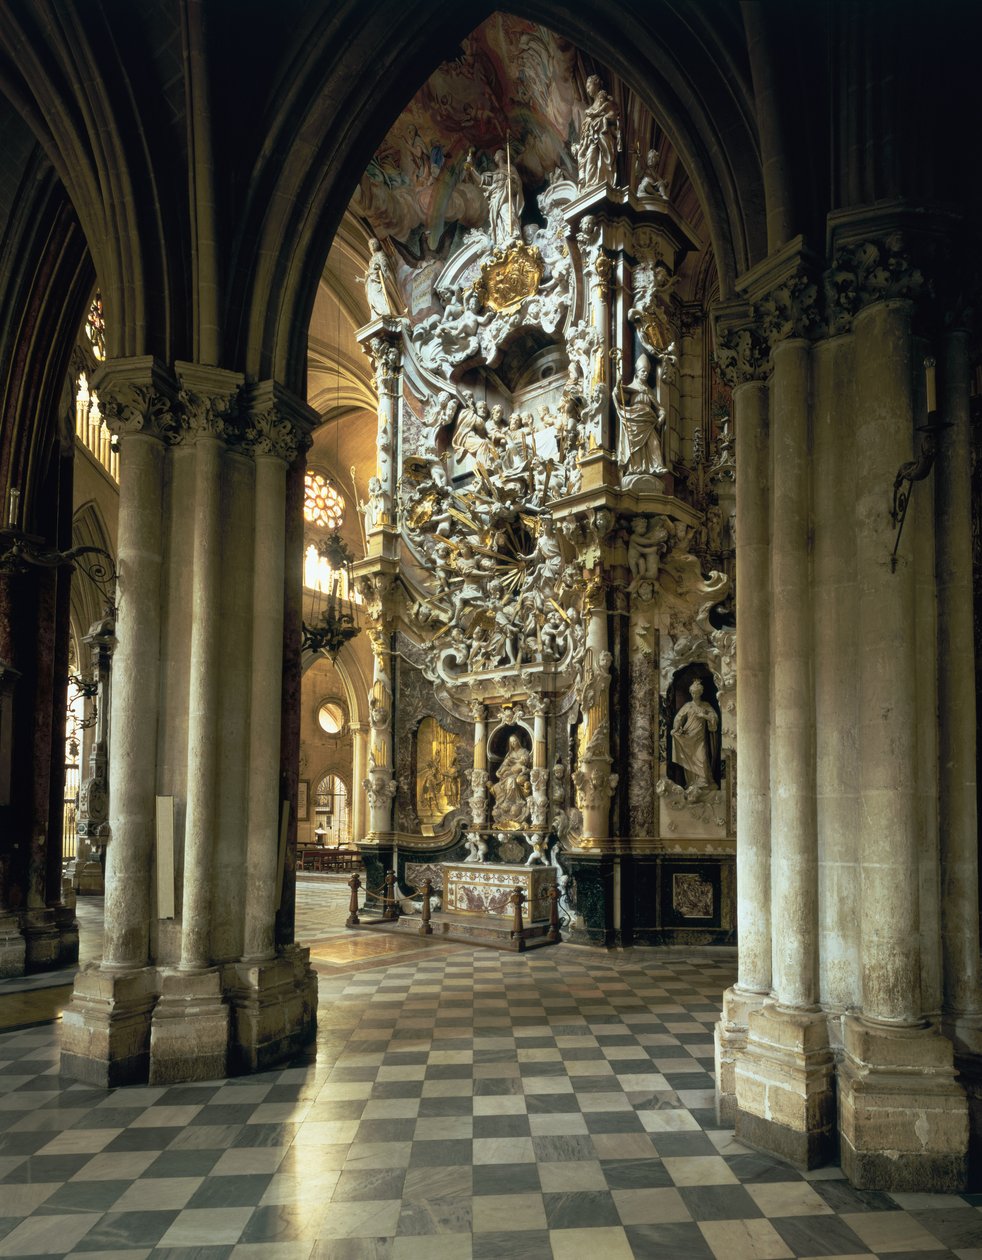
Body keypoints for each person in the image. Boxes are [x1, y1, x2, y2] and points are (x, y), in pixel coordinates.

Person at [614, 353, 667, 476]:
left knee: (654, 442)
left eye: (647, 373)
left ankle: (657, 466)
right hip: (634, 418)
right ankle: (636, 468)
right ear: (637, 372)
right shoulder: (631, 388)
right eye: (643, 371)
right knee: (635, 445)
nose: (645, 374)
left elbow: (659, 408)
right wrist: (617, 384)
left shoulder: (649, 391)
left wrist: (662, 415)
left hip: (649, 420)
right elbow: (619, 396)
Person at [671, 679, 719, 789]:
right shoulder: (688, 706)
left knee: (702, 758)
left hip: (700, 737)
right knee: (689, 758)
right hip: (688, 735)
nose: (694, 695)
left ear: (700, 693)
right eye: (692, 692)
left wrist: (704, 716)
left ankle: (703, 781)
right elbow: (678, 718)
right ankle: (692, 782)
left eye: (696, 693)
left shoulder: (705, 705)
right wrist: (677, 728)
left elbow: (714, 718)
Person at [576, 75, 621, 188]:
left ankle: (601, 181)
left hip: (603, 134)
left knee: (602, 159)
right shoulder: (593, 106)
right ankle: (590, 185)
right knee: (590, 158)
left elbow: (613, 114)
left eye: (588, 85)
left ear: (596, 84)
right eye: (586, 87)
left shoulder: (606, 100)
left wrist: (600, 118)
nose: (587, 89)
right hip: (592, 138)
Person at [490, 733, 532, 827]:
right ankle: (505, 803)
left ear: (519, 741)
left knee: (511, 781)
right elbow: (504, 765)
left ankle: (511, 801)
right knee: (498, 786)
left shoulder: (524, 752)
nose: (514, 743)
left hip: (518, 776)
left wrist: (519, 767)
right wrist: (498, 771)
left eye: (515, 741)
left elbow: (527, 765)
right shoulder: (510, 754)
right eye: (511, 742)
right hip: (508, 774)